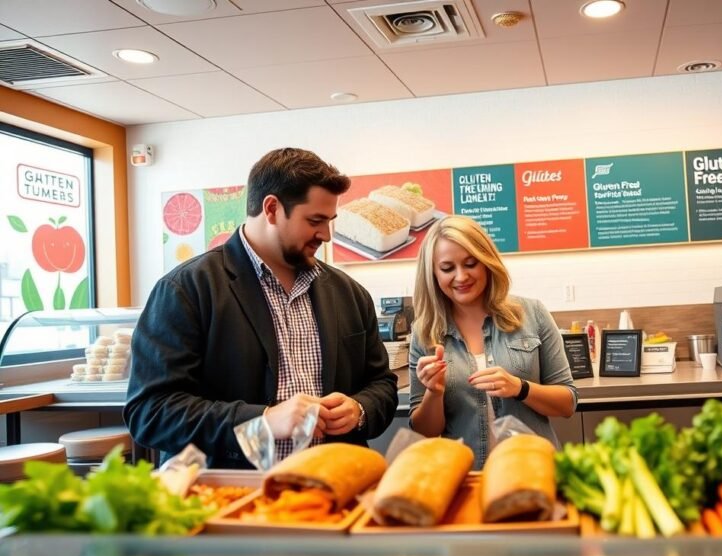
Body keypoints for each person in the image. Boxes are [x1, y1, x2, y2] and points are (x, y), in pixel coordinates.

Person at [125, 148, 398, 468]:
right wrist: (262, 421)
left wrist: (359, 409)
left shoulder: (348, 293)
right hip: (233, 495)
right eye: (315, 220)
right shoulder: (187, 289)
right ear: (271, 209)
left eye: (329, 222)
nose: (325, 235)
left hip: (333, 486)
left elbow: (382, 386)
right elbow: (151, 412)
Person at [409, 215, 577, 467]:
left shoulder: (532, 313)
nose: (461, 276)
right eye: (447, 268)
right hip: (467, 477)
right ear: (433, 273)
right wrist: (434, 393)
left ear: (487, 261)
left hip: (533, 469)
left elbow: (567, 403)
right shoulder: (425, 333)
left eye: (470, 263)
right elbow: (425, 432)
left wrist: (520, 388)